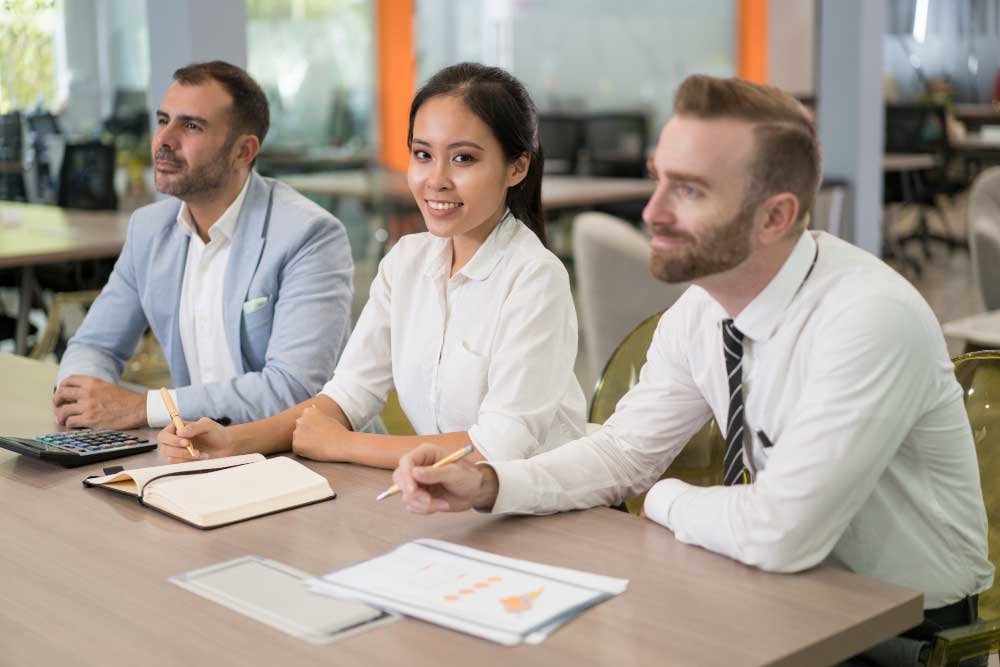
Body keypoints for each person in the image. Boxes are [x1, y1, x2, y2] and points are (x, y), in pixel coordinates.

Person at [391, 75, 994, 657]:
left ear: (775, 217)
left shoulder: (867, 318)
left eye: (689, 190)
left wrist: (663, 497)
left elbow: (778, 532)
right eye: (658, 181)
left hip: (902, 631)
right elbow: (621, 454)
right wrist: (490, 482)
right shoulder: (704, 309)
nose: (652, 212)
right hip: (766, 596)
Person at [156, 62, 586, 470]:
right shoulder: (407, 262)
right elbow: (348, 394)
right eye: (422, 155)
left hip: (545, 512)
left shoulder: (534, 276)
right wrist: (234, 441)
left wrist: (345, 444)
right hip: (451, 501)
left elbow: (498, 447)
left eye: (463, 159)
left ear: (517, 167)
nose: (435, 179)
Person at [53, 61, 353, 429]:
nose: (164, 140)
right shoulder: (150, 230)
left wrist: (145, 408)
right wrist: (79, 398)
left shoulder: (308, 234)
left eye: (191, 126)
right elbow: (95, 345)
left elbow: (293, 389)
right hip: (201, 450)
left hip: (304, 456)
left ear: (243, 151)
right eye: (163, 121)